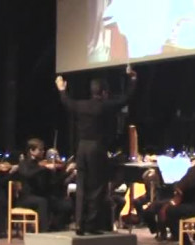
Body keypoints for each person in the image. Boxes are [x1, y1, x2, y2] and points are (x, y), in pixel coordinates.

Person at [56, 65, 137, 235]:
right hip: (96, 148)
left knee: (81, 186)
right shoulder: (105, 106)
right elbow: (126, 98)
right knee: (97, 187)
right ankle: (91, 224)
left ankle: (79, 224)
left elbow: (67, 102)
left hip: (81, 148)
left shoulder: (81, 105)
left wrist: (62, 89)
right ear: (104, 92)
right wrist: (132, 79)